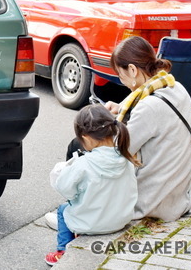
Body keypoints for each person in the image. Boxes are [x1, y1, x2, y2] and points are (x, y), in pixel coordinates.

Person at [105, 37, 191, 221]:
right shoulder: (175, 86)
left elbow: (118, 151)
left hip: (155, 203)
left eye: (120, 73)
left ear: (132, 70)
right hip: (181, 196)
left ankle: (75, 214)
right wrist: (120, 107)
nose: (120, 79)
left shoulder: (147, 107)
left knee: (93, 157)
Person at [45, 104, 138, 266]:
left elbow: (65, 190)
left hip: (93, 224)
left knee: (62, 210)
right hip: (121, 219)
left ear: (86, 138)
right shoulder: (125, 158)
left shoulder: (83, 164)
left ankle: (63, 251)